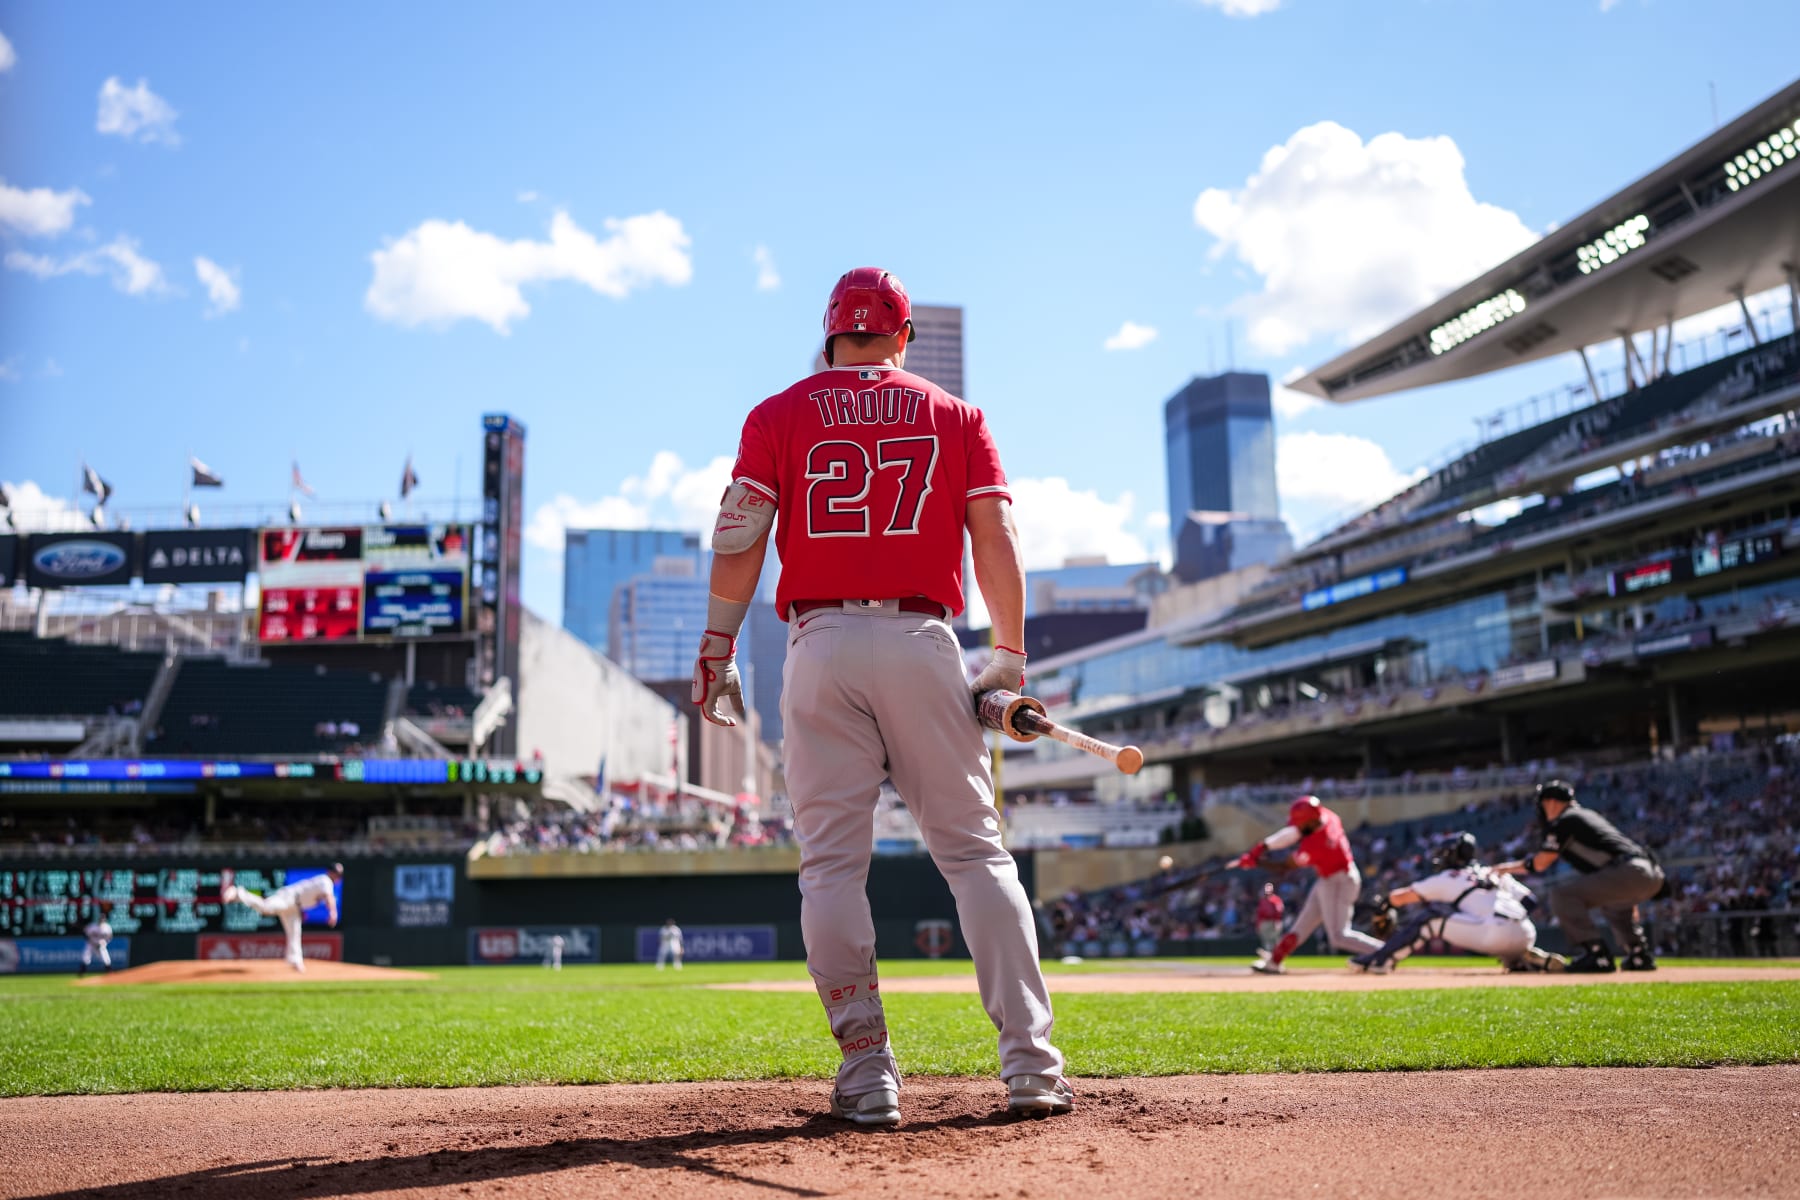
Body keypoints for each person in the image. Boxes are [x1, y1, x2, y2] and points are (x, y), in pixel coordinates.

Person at [690, 267, 1067, 1127]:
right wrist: (1007, 653)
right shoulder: (956, 415)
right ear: (902, 338)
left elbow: (740, 533)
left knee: (830, 867)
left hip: (817, 645)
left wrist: (716, 647)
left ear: (829, 335)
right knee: (975, 857)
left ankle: (867, 1074)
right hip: (922, 638)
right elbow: (996, 532)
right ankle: (1032, 1069)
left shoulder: (776, 413)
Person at [1495, 780, 1664, 972]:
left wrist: (1506, 868)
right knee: (1615, 906)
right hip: (1650, 872)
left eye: (1542, 803)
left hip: (1628, 871)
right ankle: (1639, 955)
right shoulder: (1586, 815)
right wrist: (1629, 896)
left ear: (1551, 802)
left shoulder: (1565, 819)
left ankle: (1596, 953)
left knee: (1562, 895)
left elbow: (1541, 863)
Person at [1350, 832, 1567, 973]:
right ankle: (1519, 959)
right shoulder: (1492, 871)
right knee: (1484, 919)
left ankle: (1382, 961)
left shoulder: (1450, 877)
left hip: (1493, 934)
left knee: (1432, 917)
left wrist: (1384, 903)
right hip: (1526, 932)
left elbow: (1400, 898)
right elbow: (1531, 902)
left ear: (1453, 855)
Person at [1235, 795, 1384, 974]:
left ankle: (1386, 951)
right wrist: (1259, 850)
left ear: (1311, 822)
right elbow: (1293, 834)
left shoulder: (1317, 843)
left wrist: (1256, 861)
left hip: (1339, 881)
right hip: (1329, 879)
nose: (1297, 826)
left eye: (1300, 823)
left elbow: (1284, 867)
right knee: (1302, 926)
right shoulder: (1327, 816)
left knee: (1338, 936)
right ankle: (1274, 962)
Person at [223, 864, 342, 973]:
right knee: (265, 907)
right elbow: (329, 897)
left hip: (295, 906)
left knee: (295, 932)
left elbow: (313, 897)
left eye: (339, 875)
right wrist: (333, 913)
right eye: (336, 874)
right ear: (330, 872)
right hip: (288, 898)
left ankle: (295, 961)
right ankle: (238, 893)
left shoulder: (323, 882)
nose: (338, 877)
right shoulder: (325, 881)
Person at [1253, 882, 1285, 960]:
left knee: (1275, 942)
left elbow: (1279, 911)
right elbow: (1259, 914)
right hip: (1264, 923)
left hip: (1273, 922)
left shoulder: (1276, 899)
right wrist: (1258, 925)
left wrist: (1277, 921)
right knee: (1266, 942)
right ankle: (1267, 959)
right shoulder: (1263, 901)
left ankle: (1276, 959)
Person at [78, 907, 113, 977]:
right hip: (91, 945)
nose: (101, 920)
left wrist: (105, 943)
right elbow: (85, 934)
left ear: (105, 919)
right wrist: (90, 941)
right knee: (85, 958)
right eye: (100, 918)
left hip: (101, 945)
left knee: (106, 958)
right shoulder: (92, 926)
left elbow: (110, 937)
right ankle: (81, 973)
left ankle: (109, 973)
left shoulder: (107, 927)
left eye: (103, 919)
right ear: (98, 919)